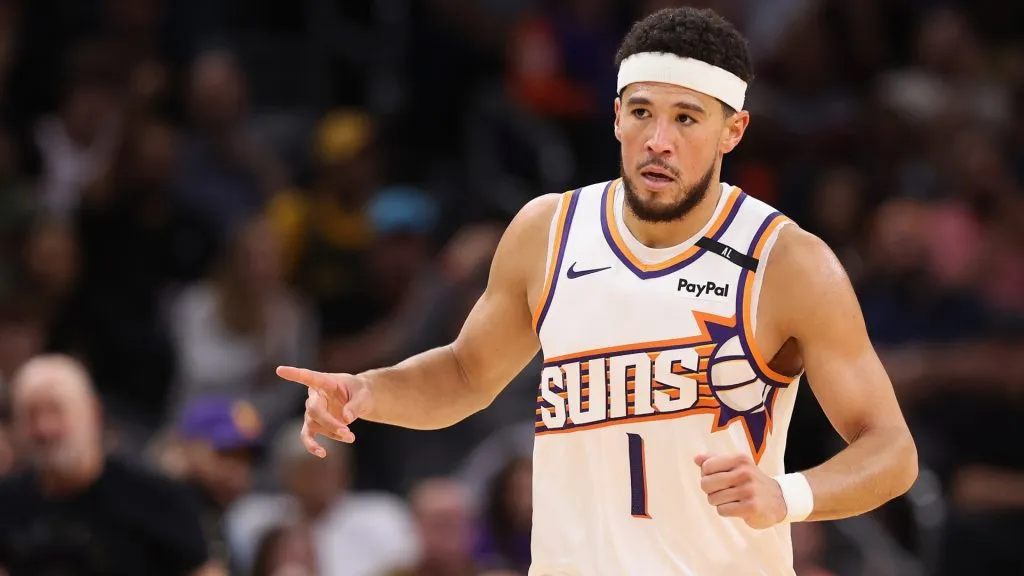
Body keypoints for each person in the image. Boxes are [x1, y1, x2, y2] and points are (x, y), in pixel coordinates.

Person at [277, 7, 918, 575]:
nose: (657, 141)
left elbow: (891, 452)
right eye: (641, 112)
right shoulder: (547, 231)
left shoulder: (786, 262)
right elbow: (467, 374)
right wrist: (368, 392)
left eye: (686, 118)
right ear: (616, 116)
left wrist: (788, 495)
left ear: (733, 131)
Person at [0, 354, 223, 576]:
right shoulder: (6, 502)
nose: (44, 429)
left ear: (94, 413)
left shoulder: (156, 497)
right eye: (31, 414)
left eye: (56, 411)